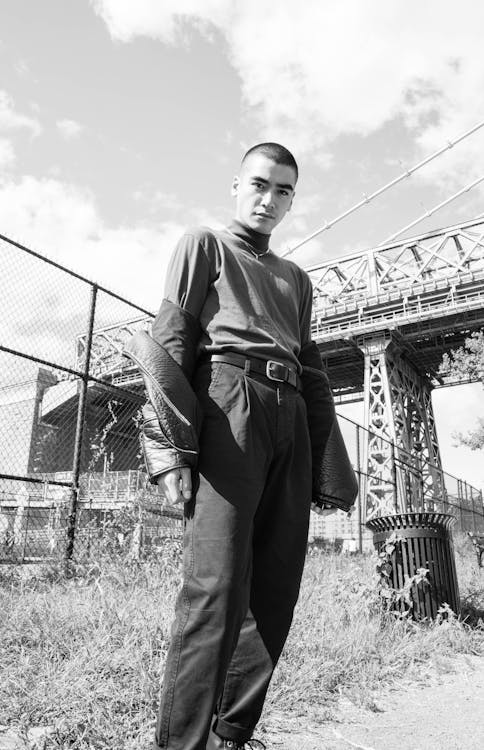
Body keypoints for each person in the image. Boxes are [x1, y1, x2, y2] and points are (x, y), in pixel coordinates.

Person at [141, 143, 346, 750]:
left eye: (284, 190)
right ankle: (182, 743)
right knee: (217, 587)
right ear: (236, 184)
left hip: (288, 419)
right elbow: (171, 337)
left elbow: (310, 369)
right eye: (260, 184)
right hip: (229, 404)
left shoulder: (297, 279)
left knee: (278, 588)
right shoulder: (203, 244)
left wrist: (327, 462)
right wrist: (169, 450)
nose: (269, 199)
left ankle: (232, 731)